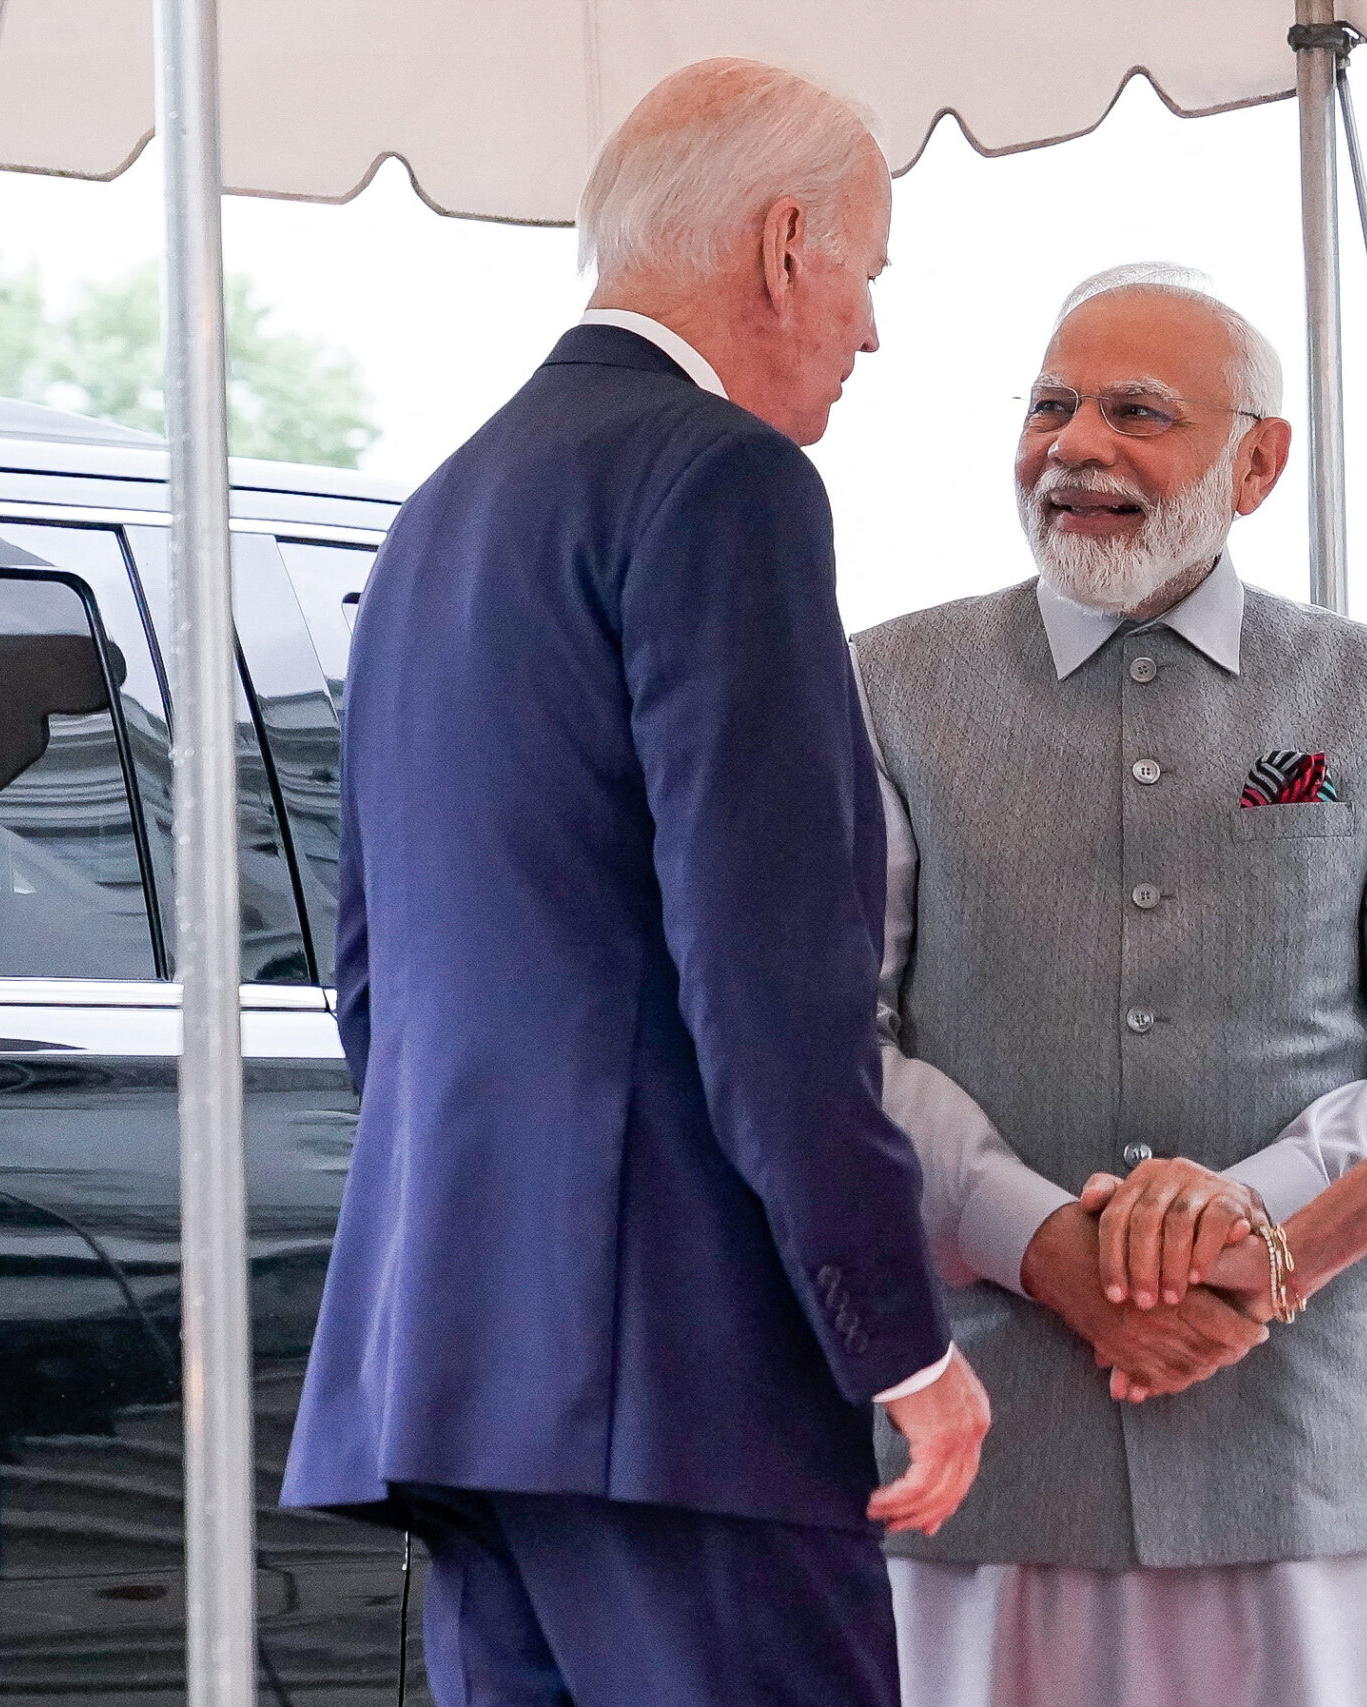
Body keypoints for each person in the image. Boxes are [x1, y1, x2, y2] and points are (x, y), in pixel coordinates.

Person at [280, 60, 990, 1707]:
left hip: (456, 1363)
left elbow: (371, 973)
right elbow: (770, 977)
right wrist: (895, 1334)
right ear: (786, 244)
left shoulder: (438, 513)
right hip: (684, 1380)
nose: (869, 331)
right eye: (870, 275)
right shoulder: (724, 482)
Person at [855, 264, 1367, 1707]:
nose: (1078, 447)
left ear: (1260, 460)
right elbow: (831, 1036)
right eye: (1052, 406)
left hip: (1306, 1450)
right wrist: (1047, 1244)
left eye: (1139, 412)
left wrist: (1252, 1222)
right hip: (989, 1453)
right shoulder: (884, 683)